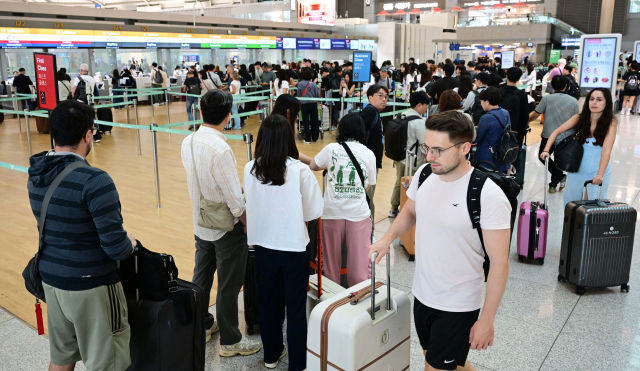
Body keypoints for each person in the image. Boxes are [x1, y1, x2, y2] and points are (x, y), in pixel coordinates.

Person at [370, 110, 511, 371]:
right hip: (423, 295)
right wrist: (386, 239)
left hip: (458, 305)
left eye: (438, 150)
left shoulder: (488, 195)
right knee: (452, 363)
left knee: (434, 367)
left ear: (464, 148)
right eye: (427, 147)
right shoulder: (425, 174)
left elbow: (500, 264)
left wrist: (487, 320)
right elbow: (410, 212)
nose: (429, 156)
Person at [28, 100, 137, 371]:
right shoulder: (95, 180)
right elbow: (115, 247)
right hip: (92, 287)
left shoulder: (36, 174)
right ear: (88, 134)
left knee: (61, 358)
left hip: (52, 281)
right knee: (108, 363)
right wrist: (130, 243)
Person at [181, 90, 262, 356]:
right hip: (225, 228)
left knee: (201, 277)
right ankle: (230, 340)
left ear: (201, 112)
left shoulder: (188, 141)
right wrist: (248, 224)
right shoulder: (221, 149)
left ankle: (202, 326)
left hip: (200, 222)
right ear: (228, 116)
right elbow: (235, 204)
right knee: (228, 284)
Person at [244, 114, 323, 371]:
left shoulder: (250, 167)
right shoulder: (299, 170)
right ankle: (297, 364)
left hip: (263, 247)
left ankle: (271, 354)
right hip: (294, 248)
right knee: (296, 307)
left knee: (269, 302)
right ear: (288, 139)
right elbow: (313, 212)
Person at [309, 113, 376, 285]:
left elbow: (313, 166)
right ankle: (359, 299)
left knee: (329, 266)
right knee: (360, 266)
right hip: (358, 214)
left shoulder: (330, 149)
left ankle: (331, 303)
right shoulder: (369, 154)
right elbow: (368, 185)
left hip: (332, 212)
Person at [541, 88, 617, 205]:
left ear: (607, 103)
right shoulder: (581, 117)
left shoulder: (610, 122)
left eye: (599, 99)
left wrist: (600, 174)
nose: (594, 102)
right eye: (591, 99)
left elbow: (606, 150)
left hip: (598, 170)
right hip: (577, 168)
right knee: (570, 204)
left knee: (594, 206)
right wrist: (546, 150)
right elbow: (556, 132)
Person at [528, 75, 578, 193]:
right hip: (566, 136)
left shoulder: (547, 99)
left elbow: (536, 113)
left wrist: (527, 121)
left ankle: (554, 183)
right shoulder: (573, 101)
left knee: (543, 156)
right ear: (566, 86)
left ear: (552, 86)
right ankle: (559, 176)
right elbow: (576, 119)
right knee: (559, 160)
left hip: (548, 135)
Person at [388, 92, 429, 218]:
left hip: (399, 157)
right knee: (411, 184)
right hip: (413, 161)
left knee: (399, 182)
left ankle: (393, 208)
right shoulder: (419, 122)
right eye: (426, 105)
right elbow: (424, 145)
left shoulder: (400, 115)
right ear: (419, 105)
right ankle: (407, 210)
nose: (427, 108)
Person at [359, 84, 387, 225]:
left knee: (368, 198)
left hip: (371, 162)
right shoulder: (370, 112)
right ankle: (368, 233)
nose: (384, 99)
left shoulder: (374, 112)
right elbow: (356, 130)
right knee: (367, 199)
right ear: (370, 98)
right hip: (367, 163)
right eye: (380, 96)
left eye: (386, 97)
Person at [474, 87, 512, 173]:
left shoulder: (486, 117)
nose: (481, 104)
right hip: (502, 155)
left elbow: (477, 138)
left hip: (487, 157)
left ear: (487, 102)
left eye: (482, 101)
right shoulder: (505, 112)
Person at [499, 67, 530, 173]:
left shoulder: (499, 91)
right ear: (519, 78)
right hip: (516, 131)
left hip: (499, 128)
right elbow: (524, 116)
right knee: (513, 154)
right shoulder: (522, 95)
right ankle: (512, 177)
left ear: (506, 77)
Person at [297, 68, 321, 143]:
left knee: (305, 121)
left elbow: (299, 95)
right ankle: (315, 137)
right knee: (315, 120)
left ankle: (307, 139)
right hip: (313, 104)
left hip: (304, 104)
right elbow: (318, 95)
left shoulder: (300, 84)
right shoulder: (313, 84)